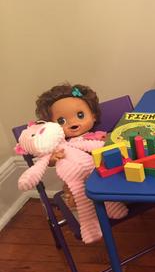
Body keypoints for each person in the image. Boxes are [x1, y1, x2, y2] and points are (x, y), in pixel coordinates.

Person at [35, 83, 128, 223]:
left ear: (94, 116)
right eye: (62, 120)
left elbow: (111, 146)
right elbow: (48, 161)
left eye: (80, 115)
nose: (73, 123)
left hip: (105, 178)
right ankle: (93, 214)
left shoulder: (97, 136)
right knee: (77, 196)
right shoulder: (60, 145)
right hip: (78, 184)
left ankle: (110, 204)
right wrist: (53, 158)